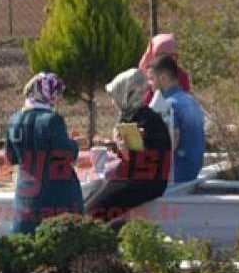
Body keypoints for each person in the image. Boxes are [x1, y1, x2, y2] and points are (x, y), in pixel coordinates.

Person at [85, 68, 172, 226]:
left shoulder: (148, 121)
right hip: (136, 176)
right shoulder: (134, 116)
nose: (113, 102)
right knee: (87, 202)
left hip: (146, 181)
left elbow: (147, 161)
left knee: (92, 212)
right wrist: (116, 145)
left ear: (128, 94)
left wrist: (124, 149)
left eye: (115, 95)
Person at [5, 72, 82, 234]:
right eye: (56, 92)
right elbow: (66, 154)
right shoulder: (52, 120)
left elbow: (11, 157)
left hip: (25, 194)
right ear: (48, 93)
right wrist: (75, 144)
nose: (58, 98)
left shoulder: (13, 119)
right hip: (56, 193)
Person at [150, 55, 205, 183]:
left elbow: (171, 142)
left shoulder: (168, 105)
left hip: (176, 176)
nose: (150, 84)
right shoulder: (191, 100)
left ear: (163, 78)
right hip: (193, 173)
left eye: (152, 79)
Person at [138, 33, 191, 105]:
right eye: (165, 56)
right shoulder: (145, 75)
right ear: (154, 55)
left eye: (173, 55)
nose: (170, 60)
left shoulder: (182, 76)